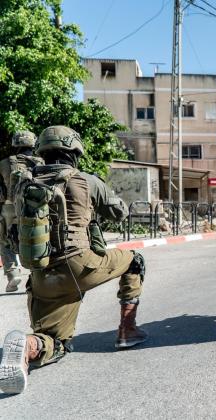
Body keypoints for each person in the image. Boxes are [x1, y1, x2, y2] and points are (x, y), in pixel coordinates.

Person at [0, 126, 147, 395]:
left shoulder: (25, 184)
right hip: (81, 265)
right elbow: (120, 213)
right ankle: (128, 330)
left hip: (41, 274)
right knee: (134, 260)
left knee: (56, 343)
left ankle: (27, 345)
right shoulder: (86, 180)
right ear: (74, 150)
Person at [0, 131, 43, 292]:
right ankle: (37, 275)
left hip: (10, 208)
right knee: (37, 238)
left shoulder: (5, 163)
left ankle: (12, 274)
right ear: (33, 144)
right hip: (35, 207)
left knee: (5, 240)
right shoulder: (42, 162)